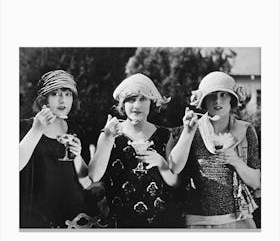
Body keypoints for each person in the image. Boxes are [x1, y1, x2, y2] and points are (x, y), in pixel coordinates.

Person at [168, 71, 261, 229]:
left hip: (239, 220)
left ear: (233, 98)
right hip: (198, 222)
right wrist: (188, 132)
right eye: (212, 95)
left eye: (224, 95)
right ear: (203, 100)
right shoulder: (191, 128)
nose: (218, 101)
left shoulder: (246, 131)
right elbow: (174, 167)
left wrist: (236, 161)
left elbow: (256, 182)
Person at [88, 73, 182, 228]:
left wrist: (161, 163)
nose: (137, 105)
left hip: (158, 222)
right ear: (122, 104)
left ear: (151, 102)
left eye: (143, 99)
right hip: (119, 222)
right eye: (131, 99)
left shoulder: (165, 135)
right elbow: (94, 176)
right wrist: (107, 139)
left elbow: (175, 182)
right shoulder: (110, 133)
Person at [20, 70, 94, 228]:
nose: (62, 100)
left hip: (73, 220)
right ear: (44, 99)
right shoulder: (24, 127)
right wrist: (36, 130)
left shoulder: (76, 130)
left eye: (68, 94)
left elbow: (86, 182)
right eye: (55, 94)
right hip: (35, 221)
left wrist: (78, 157)